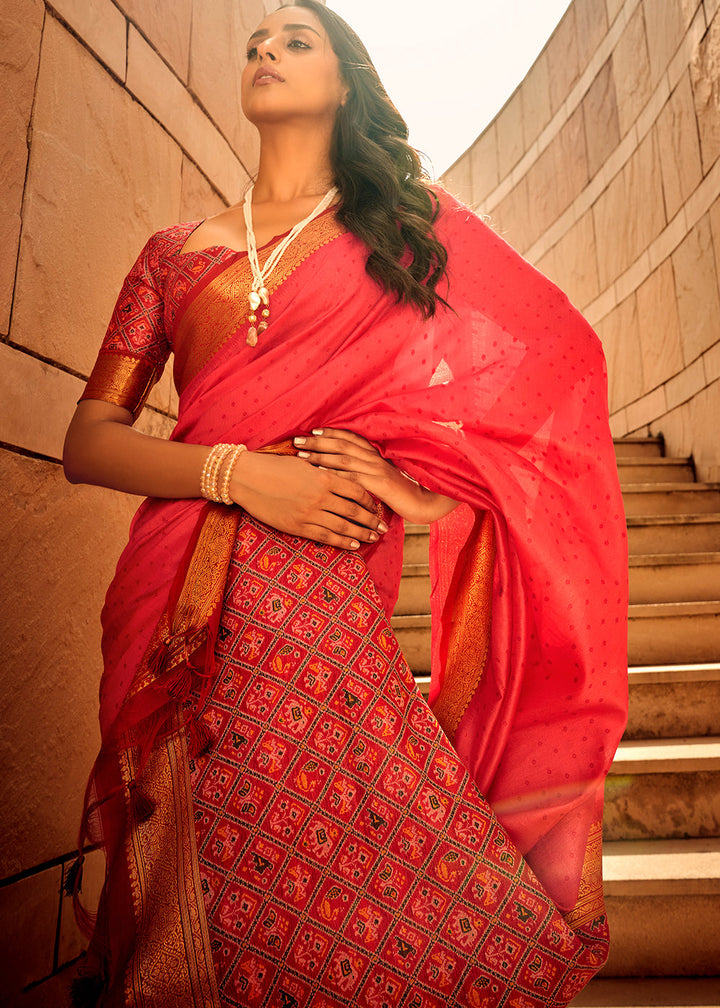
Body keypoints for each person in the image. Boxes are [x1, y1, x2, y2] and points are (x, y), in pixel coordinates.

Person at [63, 3, 628, 1006]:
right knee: (185, 861)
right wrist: (240, 473)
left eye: (296, 39)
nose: (266, 51)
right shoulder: (171, 252)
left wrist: (407, 482)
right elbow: (88, 443)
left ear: (346, 79)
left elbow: (548, 370)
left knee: (343, 859)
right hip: (172, 587)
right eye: (255, 41)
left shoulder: (408, 234)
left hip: (318, 593)